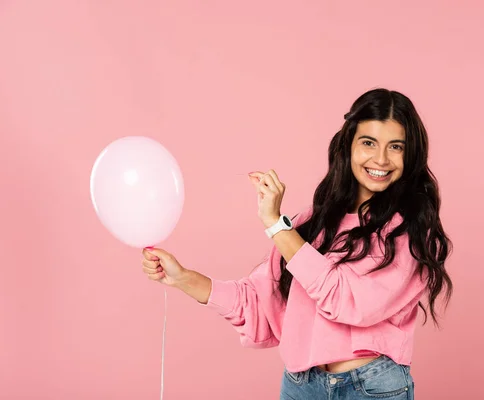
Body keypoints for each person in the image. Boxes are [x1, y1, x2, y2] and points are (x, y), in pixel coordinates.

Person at [141, 88, 453, 399]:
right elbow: (258, 304)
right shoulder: (310, 224)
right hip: (302, 387)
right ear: (349, 145)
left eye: (395, 146)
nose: (381, 159)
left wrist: (276, 226)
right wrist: (182, 278)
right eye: (368, 143)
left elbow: (347, 301)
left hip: (371, 388)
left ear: (409, 154)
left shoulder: (409, 233)